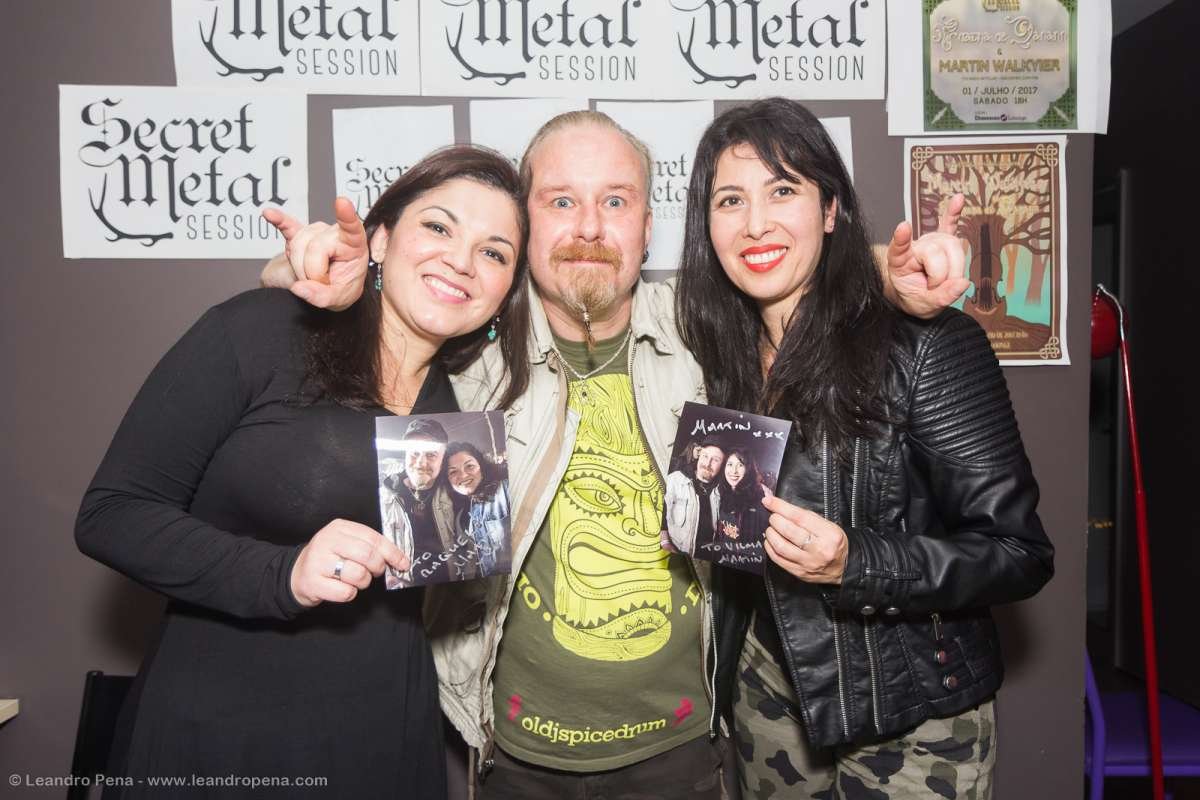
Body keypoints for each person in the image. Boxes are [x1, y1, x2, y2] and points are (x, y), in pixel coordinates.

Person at [264, 109, 970, 798]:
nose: (590, 227)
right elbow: (360, 297)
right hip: (512, 754)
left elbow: (798, 268)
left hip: (682, 752)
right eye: (562, 200)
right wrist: (303, 270)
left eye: (615, 200)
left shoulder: (708, 332)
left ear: (648, 226)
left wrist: (890, 268)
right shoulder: (466, 339)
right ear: (524, 222)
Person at [74, 145, 531, 798]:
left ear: (505, 291)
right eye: (438, 226)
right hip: (228, 735)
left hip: (385, 737)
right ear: (378, 239)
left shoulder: (463, 401)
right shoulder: (263, 330)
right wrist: (282, 573)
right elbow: (110, 514)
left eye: (494, 252)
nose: (461, 260)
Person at [675, 98, 1056, 798]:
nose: (755, 222)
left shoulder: (927, 345)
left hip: (910, 723)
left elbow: (1018, 554)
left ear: (830, 209)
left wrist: (855, 562)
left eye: (783, 189)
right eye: (731, 200)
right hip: (767, 702)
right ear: (707, 224)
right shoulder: (711, 352)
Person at [384, 417, 476, 586]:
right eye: (414, 453)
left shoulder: (457, 493)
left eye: (431, 454)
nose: (421, 463)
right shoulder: (386, 498)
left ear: (443, 458)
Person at [445, 441, 510, 575]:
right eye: (453, 472)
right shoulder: (460, 512)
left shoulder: (505, 490)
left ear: (481, 465)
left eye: (469, 466)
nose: (463, 475)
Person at [664, 439, 726, 556]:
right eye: (705, 456)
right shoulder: (674, 480)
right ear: (698, 455)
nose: (707, 464)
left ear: (722, 465)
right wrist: (664, 541)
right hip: (677, 554)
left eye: (715, 460)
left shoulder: (721, 493)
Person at [712, 448, 771, 559]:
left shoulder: (760, 499)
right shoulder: (719, 495)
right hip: (724, 560)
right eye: (729, 464)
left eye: (740, 465)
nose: (734, 471)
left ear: (748, 469)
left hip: (748, 564)